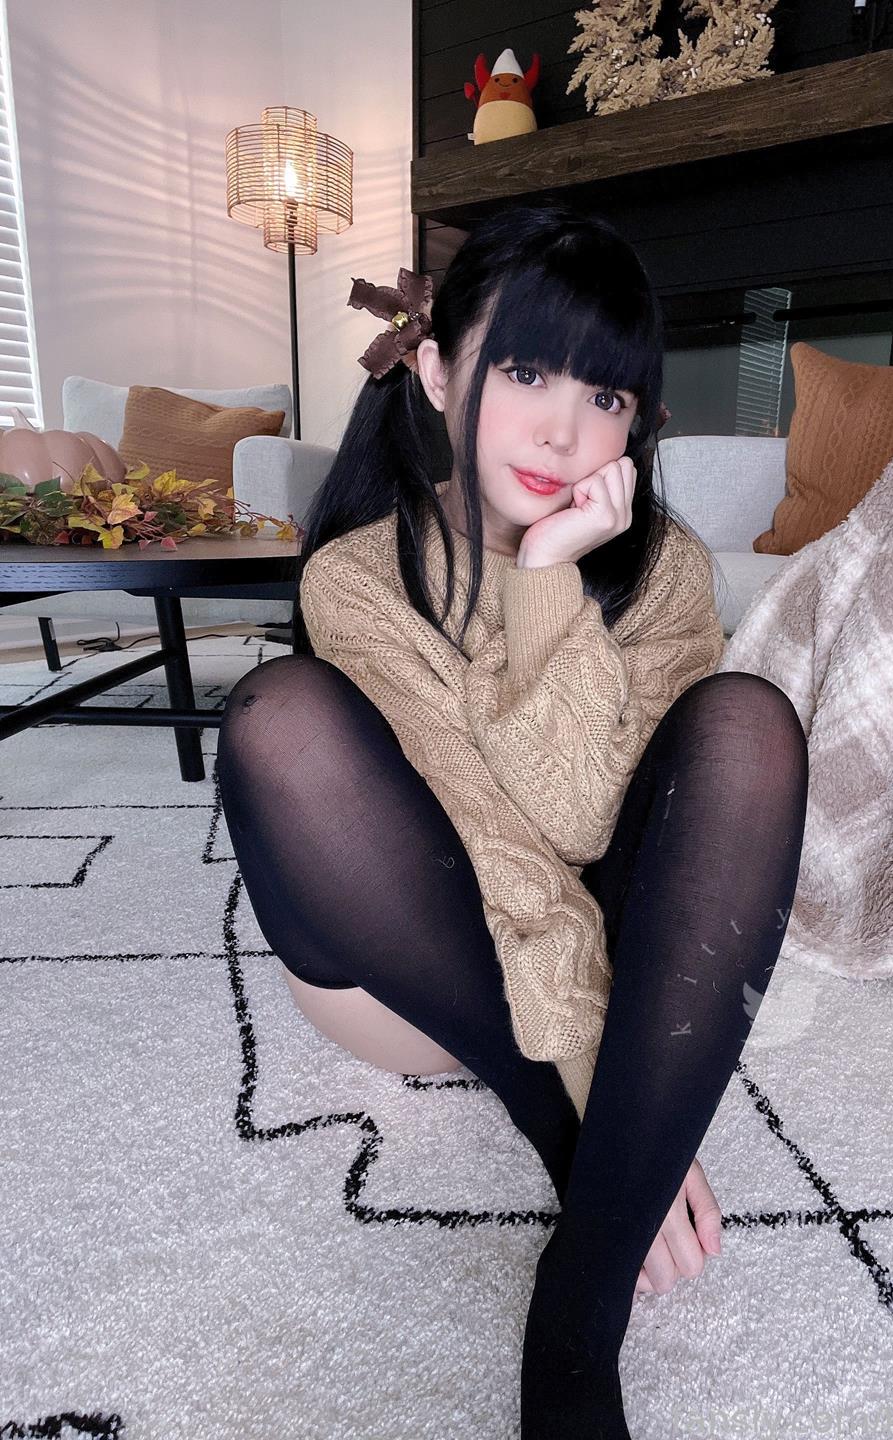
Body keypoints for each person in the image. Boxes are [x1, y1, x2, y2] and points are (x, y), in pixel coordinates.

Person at [216, 201, 809, 1440]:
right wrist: (596, 1123)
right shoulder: (360, 576)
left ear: (640, 418)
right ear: (437, 373)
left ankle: (570, 1322)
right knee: (279, 720)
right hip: (418, 972)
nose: (563, 429)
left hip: (581, 923)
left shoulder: (664, 571)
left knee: (748, 724)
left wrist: (549, 579)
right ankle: (578, 1197)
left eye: (607, 394)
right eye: (527, 372)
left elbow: (586, 824)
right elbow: (500, 848)